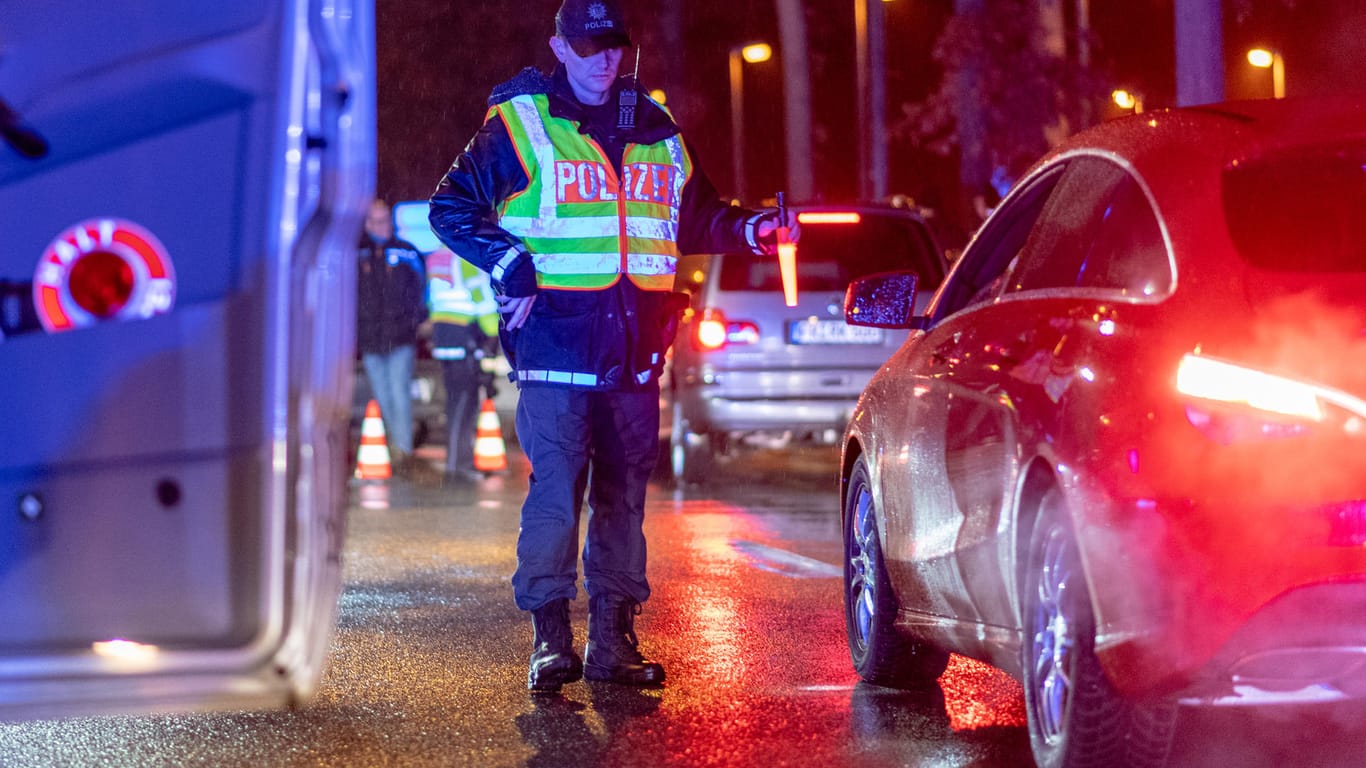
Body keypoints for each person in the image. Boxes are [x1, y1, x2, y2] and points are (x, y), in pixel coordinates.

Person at [428, 0, 798, 693]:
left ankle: (615, 642)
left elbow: (698, 217)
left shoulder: (657, 130)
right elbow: (450, 207)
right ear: (559, 47)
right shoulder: (521, 124)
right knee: (557, 495)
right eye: (589, 46)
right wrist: (509, 262)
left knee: (624, 498)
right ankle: (549, 639)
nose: (605, 59)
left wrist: (754, 233)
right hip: (556, 345)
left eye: (614, 47)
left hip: (633, 349)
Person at [357, 198, 438, 484]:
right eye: (373, 220)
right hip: (370, 338)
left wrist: (414, 322)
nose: (378, 226)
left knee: (399, 393)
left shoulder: (406, 252)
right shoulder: (360, 253)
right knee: (382, 395)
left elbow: (421, 291)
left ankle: (402, 452)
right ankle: (391, 448)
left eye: (382, 219)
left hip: (400, 337)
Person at [426, 246, 500, 484]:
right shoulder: (465, 257)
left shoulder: (437, 257)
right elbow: (481, 300)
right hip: (465, 337)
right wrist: (494, 332)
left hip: (444, 337)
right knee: (464, 406)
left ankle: (456, 462)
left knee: (455, 402)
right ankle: (459, 464)